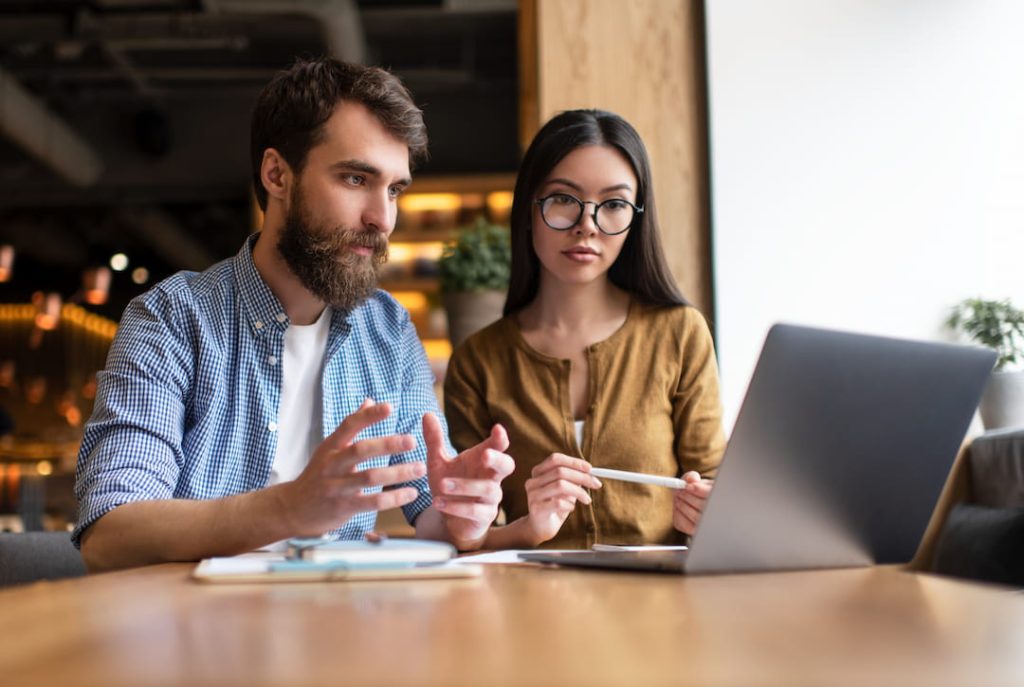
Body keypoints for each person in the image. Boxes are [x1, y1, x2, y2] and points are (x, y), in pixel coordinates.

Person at [74, 57, 514, 572]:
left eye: (394, 189)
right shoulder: (172, 318)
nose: (383, 218)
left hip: (336, 632)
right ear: (277, 174)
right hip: (195, 637)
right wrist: (290, 507)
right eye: (356, 179)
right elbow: (111, 534)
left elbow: (430, 515)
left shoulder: (389, 330)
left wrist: (461, 514)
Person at [444, 109, 725, 549]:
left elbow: (715, 486)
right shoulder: (479, 360)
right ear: (529, 208)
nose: (586, 226)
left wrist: (712, 514)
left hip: (657, 608)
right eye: (563, 199)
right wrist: (530, 528)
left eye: (613, 205)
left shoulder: (679, 333)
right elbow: (467, 535)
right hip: (529, 606)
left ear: (636, 216)